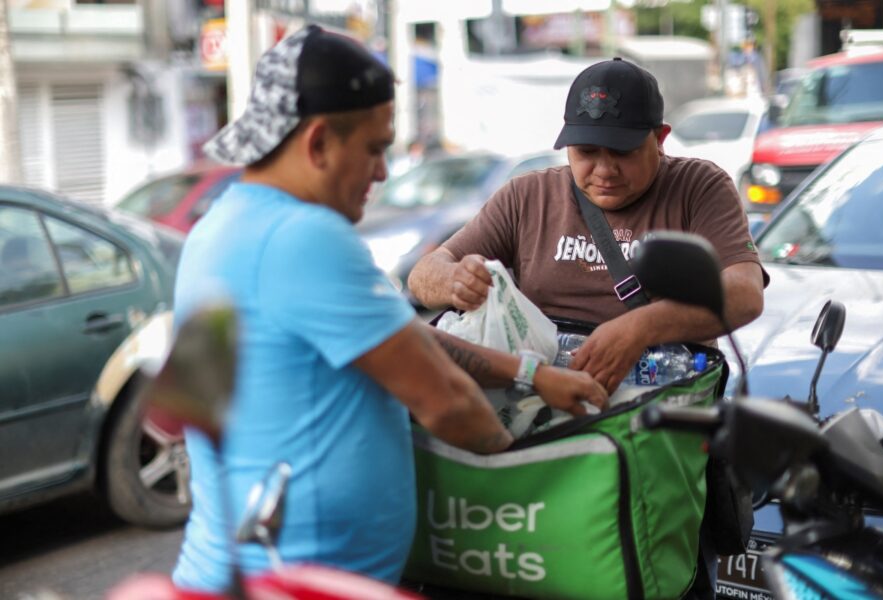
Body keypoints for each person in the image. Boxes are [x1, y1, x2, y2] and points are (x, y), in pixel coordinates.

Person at [170, 24, 606, 595]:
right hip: (288, 582)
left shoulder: (219, 228)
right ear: (319, 142)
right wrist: (533, 472)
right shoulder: (304, 237)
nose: (381, 173)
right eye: (375, 149)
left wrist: (529, 373)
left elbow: (407, 339)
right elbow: (444, 400)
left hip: (232, 568)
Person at [407, 57, 767, 598]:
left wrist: (642, 327)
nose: (602, 169)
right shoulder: (528, 196)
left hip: (651, 448)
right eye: (585, 152)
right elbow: (423, 274)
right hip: (540, 450)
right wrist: (454, 281)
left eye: (620, 151)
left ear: (660, 138)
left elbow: (743, 293)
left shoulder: (699, 187)